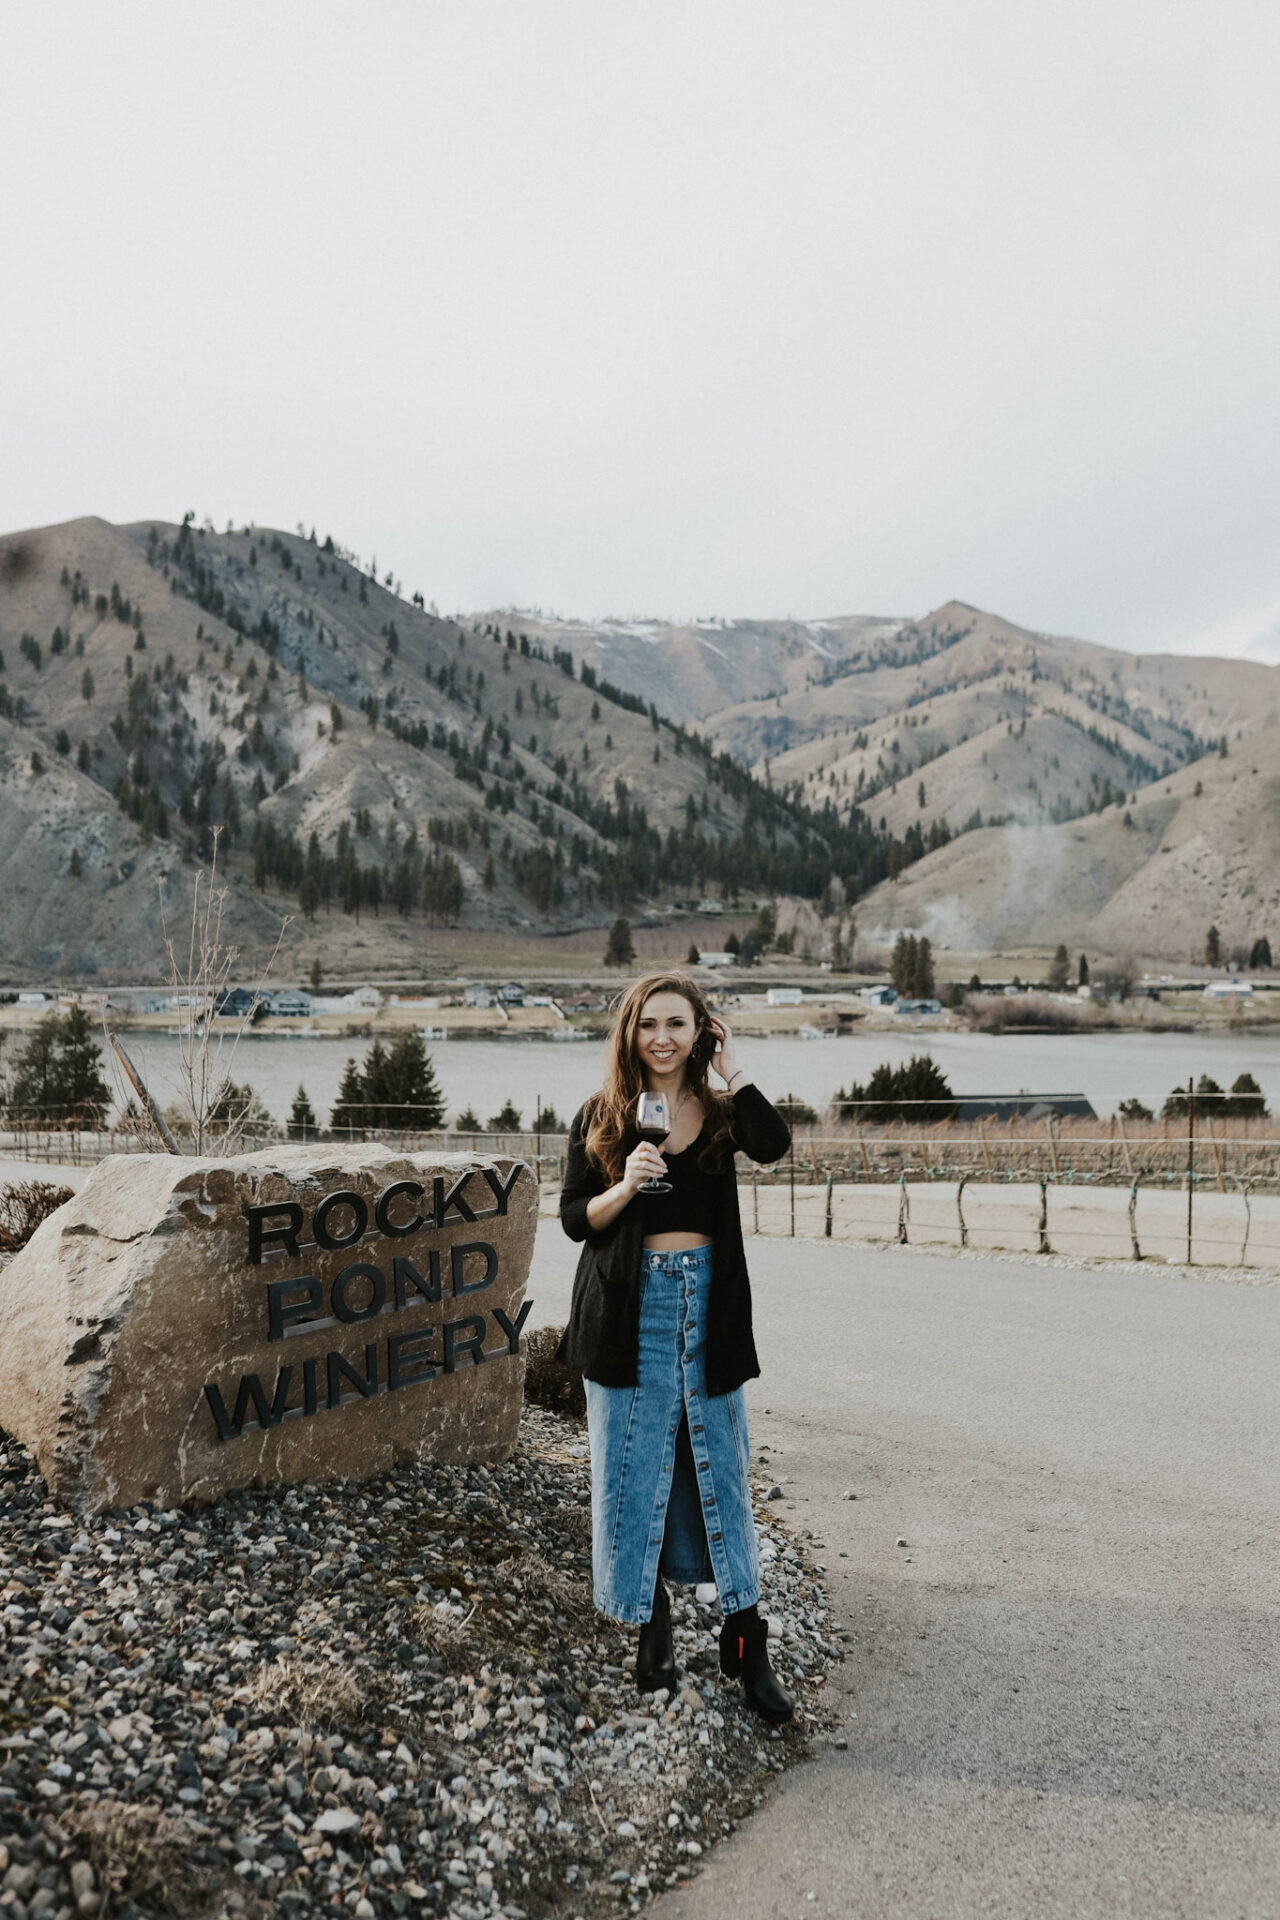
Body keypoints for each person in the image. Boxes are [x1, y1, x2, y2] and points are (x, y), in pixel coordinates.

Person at [557, 970, 794, 1722]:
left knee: (718, 1467)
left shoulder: (723, 1113)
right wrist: (625, 1185)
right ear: (629, 1032)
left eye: (679, 1025)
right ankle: (650, 1623)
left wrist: (736, 1070)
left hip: (708, 1304)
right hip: (628, 1308)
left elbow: (775, 1144)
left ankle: (745, 1641)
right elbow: (573, 1218)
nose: (662, 1038)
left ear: (701, 1033)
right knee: (634, 1466)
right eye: (648, 1024)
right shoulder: (601, 1115)